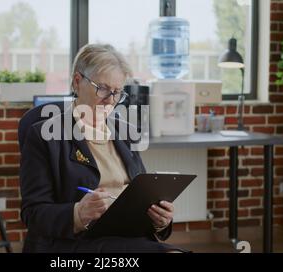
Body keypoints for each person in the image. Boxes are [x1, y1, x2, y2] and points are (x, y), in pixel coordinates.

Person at [20, 44, 180, 253]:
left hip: (129, 236)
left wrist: (161, 220)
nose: (111, 100)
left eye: (117, 93)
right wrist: (78, 213)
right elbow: (33, 214)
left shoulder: (125, 131)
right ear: (77, 82)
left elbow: (141, 192)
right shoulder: (45, 136)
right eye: (103, 89)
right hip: (79, 242)